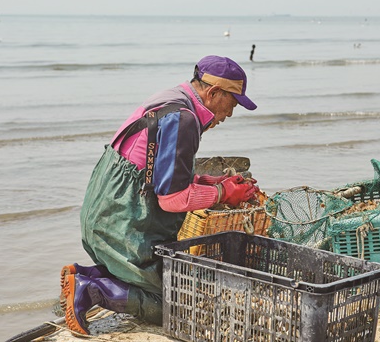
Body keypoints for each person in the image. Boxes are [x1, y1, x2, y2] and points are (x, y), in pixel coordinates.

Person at [60, 55, 259, 335]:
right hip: (123, 226)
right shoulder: (185, 120)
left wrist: (211, 181)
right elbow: (172, 200)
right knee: (176, 304)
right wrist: (224, 192)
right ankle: (92, 289)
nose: (230, 114)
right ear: (213, 93)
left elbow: (159, 175)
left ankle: (83, 274)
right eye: (233, 103)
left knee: (164, 281)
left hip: (101, 215)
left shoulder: (171, 100)